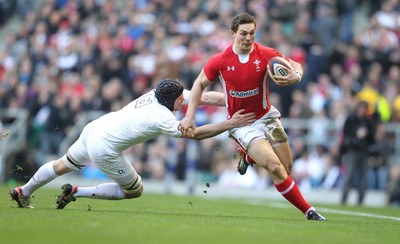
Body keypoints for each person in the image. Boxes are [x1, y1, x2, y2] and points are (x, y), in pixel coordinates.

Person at [9, 77, 256, 209]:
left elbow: (204, 96)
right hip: (105, 147)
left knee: (63, 164)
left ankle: (24, 191)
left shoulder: (157, 94)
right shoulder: (162, 117)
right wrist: (230, 123)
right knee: (135, 191)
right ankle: (76, 192)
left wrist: (234, 100)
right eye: (181, 100)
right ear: (172, 99)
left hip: (95, 128)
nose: (184, 103)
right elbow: (195, 134)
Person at [179, 13, 326, 221]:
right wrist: (189, 117)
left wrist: (296, 75)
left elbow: (296, 65)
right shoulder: (220, 61)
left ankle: (247, 156)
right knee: (275, 168)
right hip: (241, 123)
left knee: (286, 168)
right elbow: (198, 85)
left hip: (267, 117)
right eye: (243, 34)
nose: (248, 38)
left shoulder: (266, 54)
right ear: (233, 33)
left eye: (252, 33)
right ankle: (309, 211)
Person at [340, 100, 376, 205]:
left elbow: (372, 137)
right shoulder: (351, 119)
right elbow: (345, 134)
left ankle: (361, 201)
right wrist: (356, 135)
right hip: (352, 150)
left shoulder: (368, 121)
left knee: (363, 178)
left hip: (364, 151)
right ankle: (344, 199)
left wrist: (367, 133)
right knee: (349, 175)